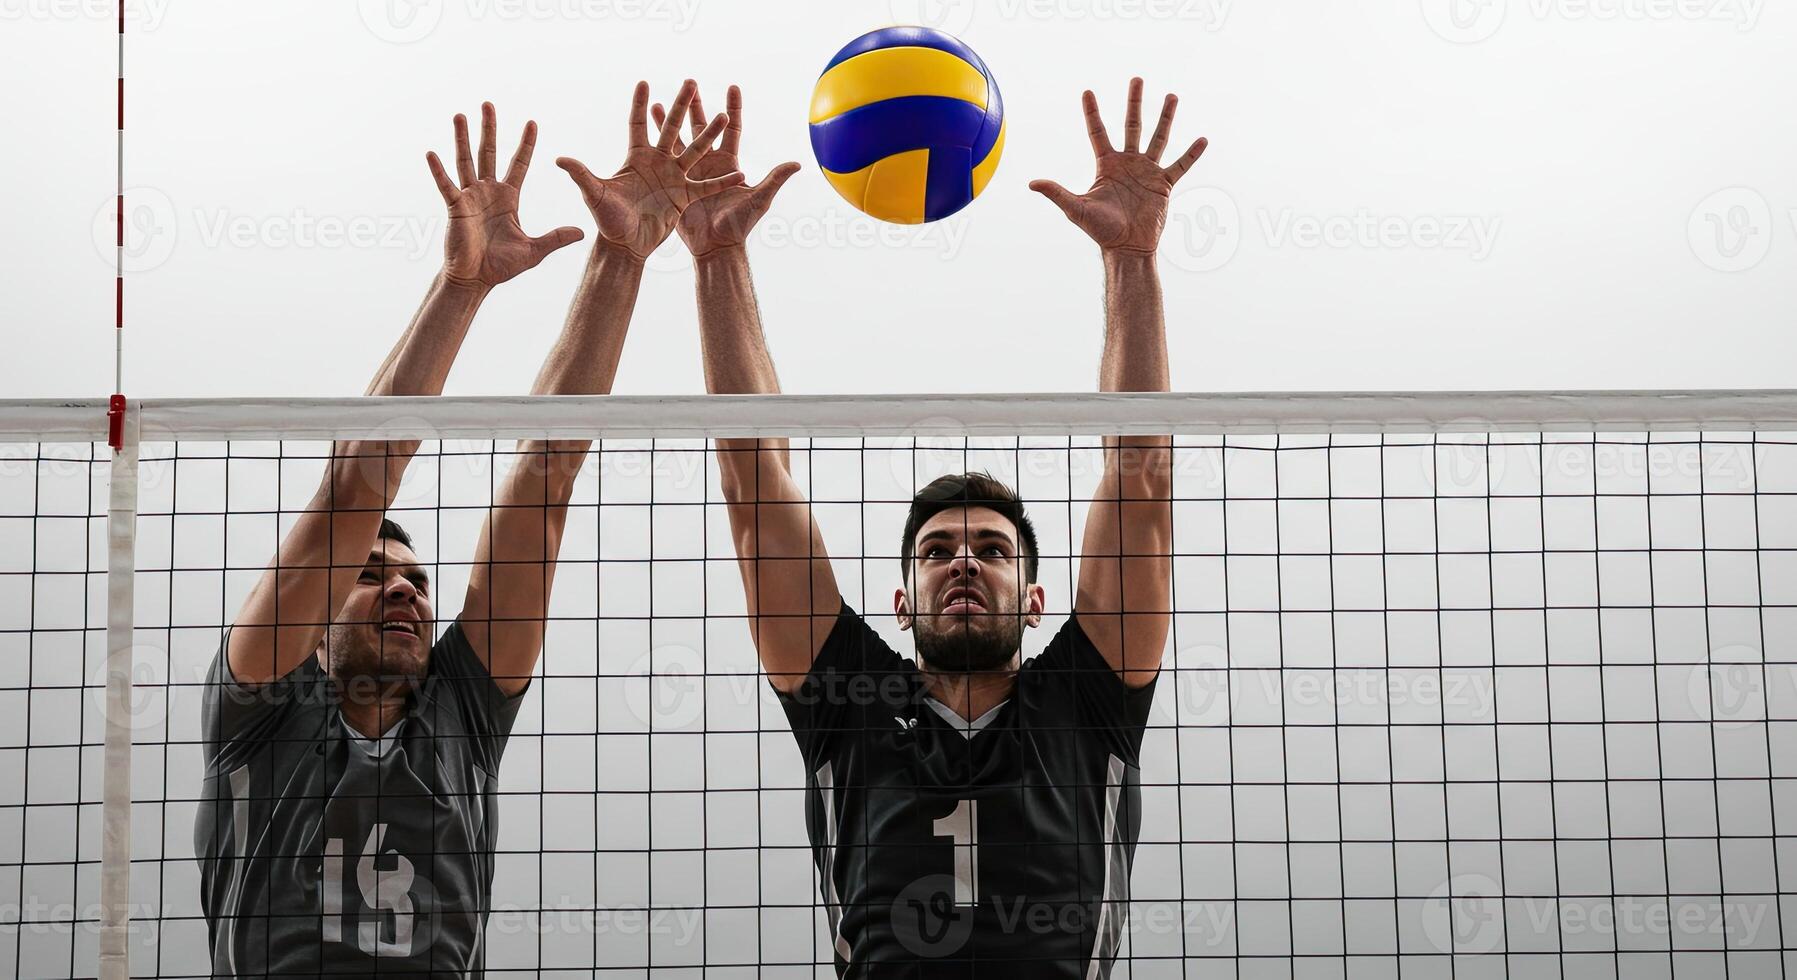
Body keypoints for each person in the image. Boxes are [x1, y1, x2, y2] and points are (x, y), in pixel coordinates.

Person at [193, 85, 742, 976]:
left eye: (415, 578)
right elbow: (352, 489)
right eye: (371, 575)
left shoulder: (461, 714)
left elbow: (544, 481)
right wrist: (461, 287)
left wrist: (621, 257)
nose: (404, 586)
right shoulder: (259, 707)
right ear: (315, 629)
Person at [668, 79, 1205, 976]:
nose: (963, 561)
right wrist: (717, 256)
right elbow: (754, 489)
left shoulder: (1086, 698)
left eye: (992, 550)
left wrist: (1132, 260)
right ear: (901, 601)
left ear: (1035, 598)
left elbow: (1138, 483)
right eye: (936, 551)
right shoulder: (850, 703)